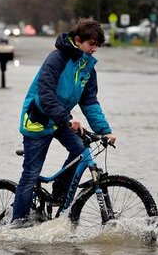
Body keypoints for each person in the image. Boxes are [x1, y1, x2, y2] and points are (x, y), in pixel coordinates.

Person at [12, 18, 117, 225]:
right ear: (78, 40)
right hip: (38, 119)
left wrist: (105, 130)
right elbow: (45, 95)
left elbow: (90, 103)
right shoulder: (57, 59)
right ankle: (18, 222)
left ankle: (58, 194)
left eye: (98, 45)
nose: (94, 49)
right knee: (31, 173)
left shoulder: (88, 68)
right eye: (91, 44)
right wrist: (68, 118)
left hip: (60, 119)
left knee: (80, 150)